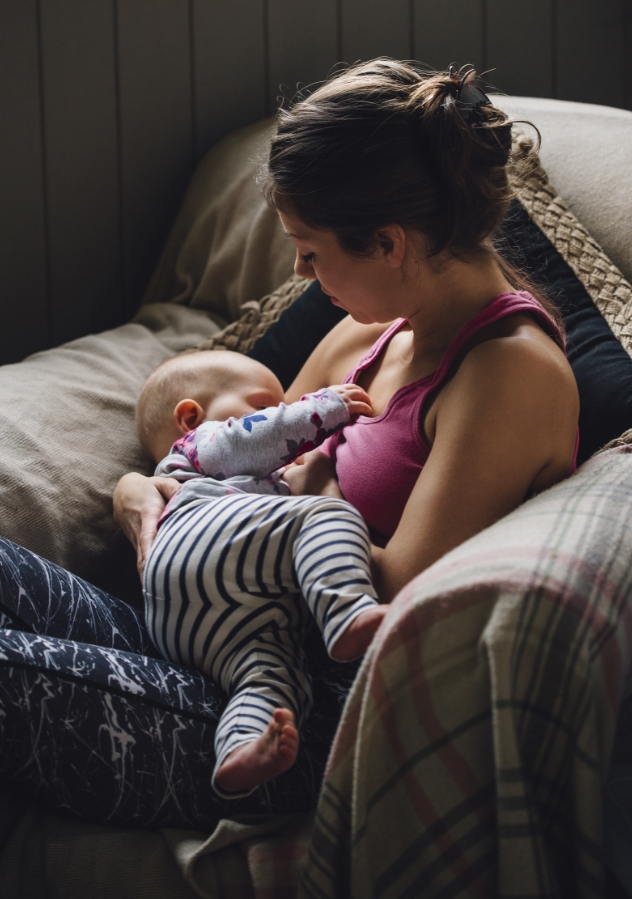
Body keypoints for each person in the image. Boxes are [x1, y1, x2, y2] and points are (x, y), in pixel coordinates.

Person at [0, 60, 579, 835]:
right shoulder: (370, 327)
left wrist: (306, 490)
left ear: (388, 242)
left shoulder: (509, 373)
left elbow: (388, 601)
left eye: (309, 250)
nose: (302, 273)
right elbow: (244, 455)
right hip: (191, 625)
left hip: (287, 710)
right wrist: (136, 492)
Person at [136, 349, 385, 795]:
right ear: (190, 417)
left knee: (274, 674)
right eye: (264, 407)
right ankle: (347, 611)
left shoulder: (262, 487)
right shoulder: (199, 446)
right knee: (327, 516)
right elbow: (252, 439)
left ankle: (243, 748)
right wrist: (322, 408)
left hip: (192, 625)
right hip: (200, 537)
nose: (277, 414)